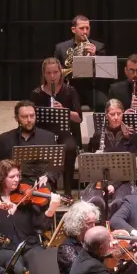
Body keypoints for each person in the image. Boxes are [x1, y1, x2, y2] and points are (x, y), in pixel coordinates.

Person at [29, 56, 82, 186]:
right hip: (44, 133)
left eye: (55, 72)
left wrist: (64, 111)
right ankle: (48, 188)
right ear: (44, 74)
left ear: (61, 72)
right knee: (44, 148)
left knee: (69, 148)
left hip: (64, 132)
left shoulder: (70, 91)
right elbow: (31, 116)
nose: (52, 76)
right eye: (49, 73)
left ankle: (68, 190)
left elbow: (79, 118)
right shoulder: (37, 93)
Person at [56, 200, 105, 274]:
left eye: (94, 223)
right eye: (89, 224)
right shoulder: (66, 248)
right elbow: (84, 273)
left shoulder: (91, 243)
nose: (93, 227)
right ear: (77, 225)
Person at [0, 99, 60, 169]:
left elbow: (56, 169)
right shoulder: (5, 139)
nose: (29, 120)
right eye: (24, 117)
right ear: (16, 118)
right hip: (15, 178)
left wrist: (47, 177)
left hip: (41, 178)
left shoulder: (48, 137)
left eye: (32, 116)